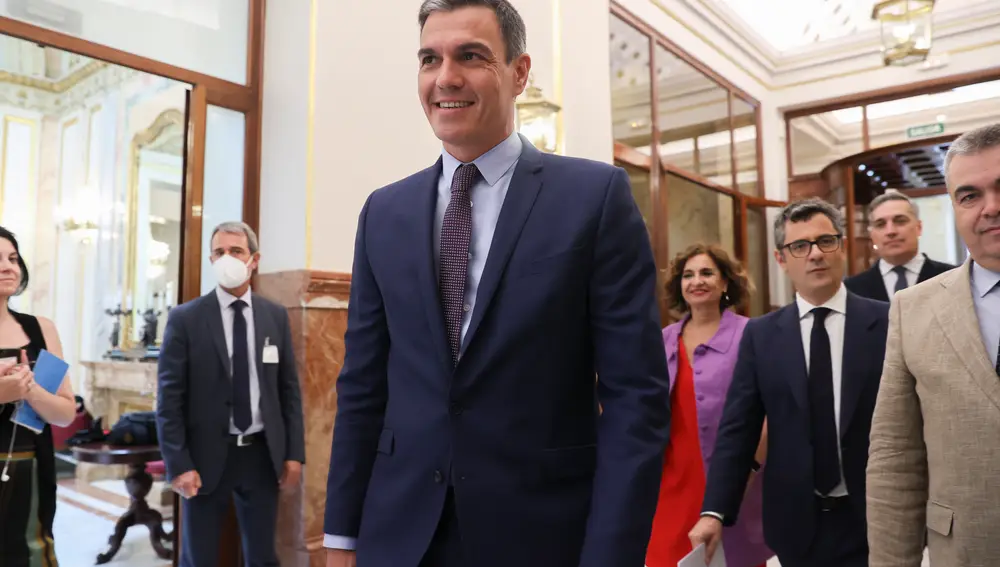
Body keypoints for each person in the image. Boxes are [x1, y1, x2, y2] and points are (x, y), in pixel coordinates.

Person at [323, 1, 670, 566]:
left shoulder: (593, 198)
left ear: (520, 72)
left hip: (541, 535)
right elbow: (362, 387)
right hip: (400, 535)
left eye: (471, 56)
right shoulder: (383, 213)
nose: (445, 77)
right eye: (429, 59)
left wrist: (611, 554)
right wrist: (342, 537)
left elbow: (637, 399)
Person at [689, 198, 889, 567]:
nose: (815, 254)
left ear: (841, 247)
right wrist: (714, 511)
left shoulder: (887, 322)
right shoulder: (762, 336)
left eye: (825, 241)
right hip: (796, 522)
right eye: (800, 246)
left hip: (877, 517)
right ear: (781, 260)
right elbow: (739, 429)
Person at [867, 124, 1000, 566]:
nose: (991, 208)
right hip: (964, 551)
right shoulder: (913, 309)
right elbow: (895, 457)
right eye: (970, 196)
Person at [156, 221, 305, 567]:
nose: (227, 258)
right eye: (219, 252)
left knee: (263, 557)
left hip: (261, 455)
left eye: (236, 251)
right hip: (204, 458)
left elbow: (289, 391)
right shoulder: (185, 319)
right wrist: (178, 463)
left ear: (254, 259)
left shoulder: (275, 316)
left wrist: (294, 453)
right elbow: (169, 400)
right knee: (200, 557)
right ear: (211, 259)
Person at [646, 244, 772, 567]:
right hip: (671, 483)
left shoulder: (751, 334)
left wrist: (750, 470)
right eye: (688, 275)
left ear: (725, 282)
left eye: (706, 273)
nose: (696, 281)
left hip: (733, 481)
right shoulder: (662, 340)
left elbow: (768, 411)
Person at [0, 226, 76, 567]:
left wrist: (29, 390)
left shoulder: (41, 329)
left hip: (29, 471)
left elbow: (64, 413)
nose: (8, 267)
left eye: (13, 258)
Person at [844, 191, 954, 301]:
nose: (890, 231)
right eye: (880, 224)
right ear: (871, 235)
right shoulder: (851, 289)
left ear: (918, 227)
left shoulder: (952, 277)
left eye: (900, 221)